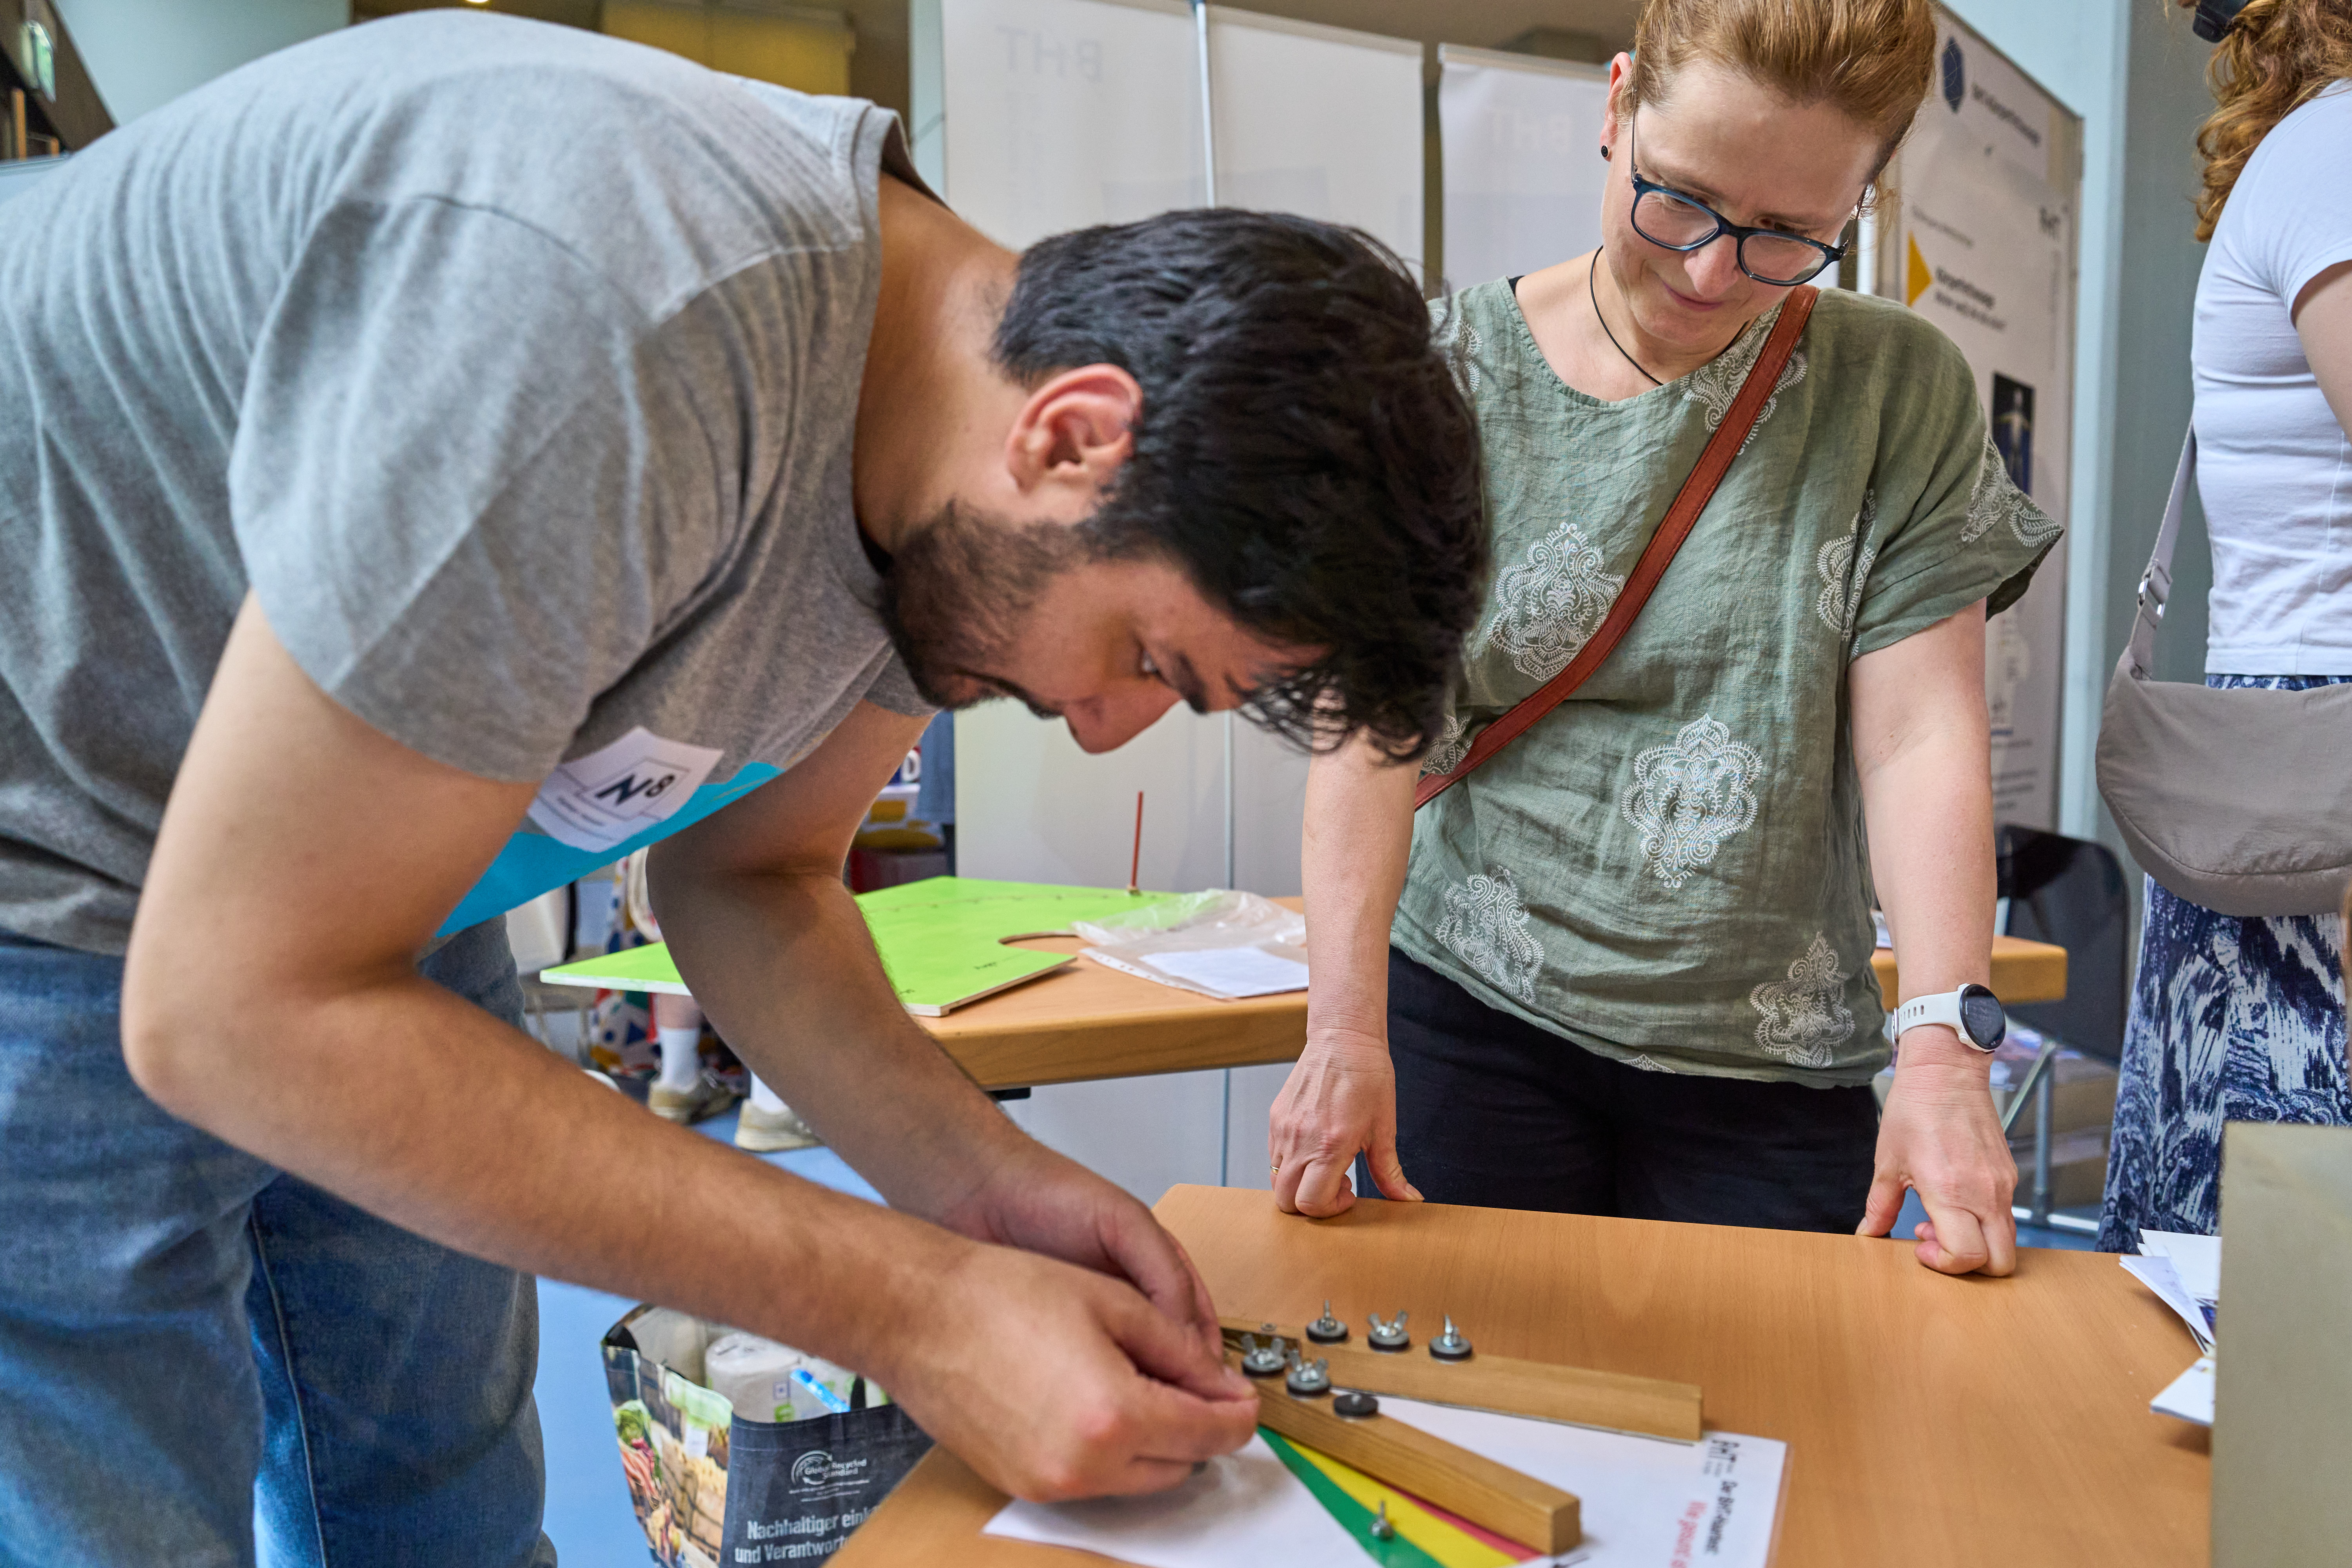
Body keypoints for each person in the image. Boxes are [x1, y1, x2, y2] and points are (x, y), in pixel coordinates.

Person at [0, 13, 1486, 1564]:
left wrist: (983, 1189)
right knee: (127, 1524)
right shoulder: (596, 329)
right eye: (1148, 659)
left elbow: (754, 877)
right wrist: (916, 1306)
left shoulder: (945, 505)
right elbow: (233, 1009)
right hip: (57, 853)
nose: (1105, 729)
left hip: (357, 886)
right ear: (1075, 436)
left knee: (438, 1500)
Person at [1269, 0, 2060, 1278]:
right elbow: (1375, 724)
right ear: (1618, 105)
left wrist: (1941, 1051)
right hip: (1475, 1008)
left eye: (1788, 237)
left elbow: (1920, 740)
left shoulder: (1895, 392)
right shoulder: (1441, 377)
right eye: (1678, 201)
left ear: (1859, 203)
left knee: (1770, 1427)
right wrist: (1343, 1032)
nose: (1709, 273)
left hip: (1773, 1052)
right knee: (1482, 1413)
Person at [2100, 0, 2352, 1250]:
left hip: (2295, 761)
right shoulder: (2342, 151)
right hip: (2324, 771)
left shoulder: (2311, 149)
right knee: (2285, 1303)